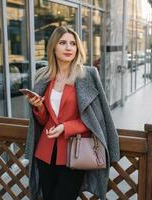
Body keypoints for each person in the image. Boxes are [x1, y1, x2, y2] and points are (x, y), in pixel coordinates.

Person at [25, 26, 120, 200]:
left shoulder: (88, 75)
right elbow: (44, 119)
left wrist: (65, 127)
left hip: (75, 154)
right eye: (63, 43)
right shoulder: (43, 76)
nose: (69, 48)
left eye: (73, 44)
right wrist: (38, 107)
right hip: (45, 152)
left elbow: (95, 119)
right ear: (53, 47)